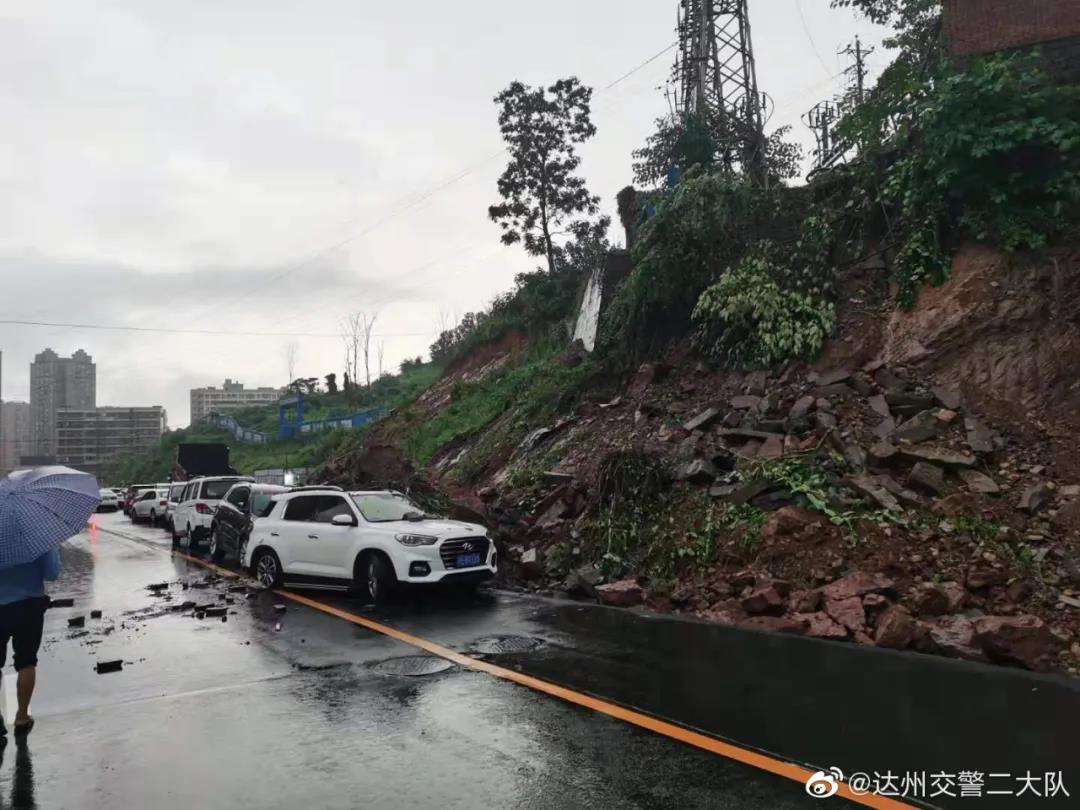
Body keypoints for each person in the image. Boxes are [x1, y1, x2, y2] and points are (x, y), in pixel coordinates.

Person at [0, 549, 60, 738]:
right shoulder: (36, 536)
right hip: (29, 607)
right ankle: (22, 716)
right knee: (26, 662)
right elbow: (52, 573)